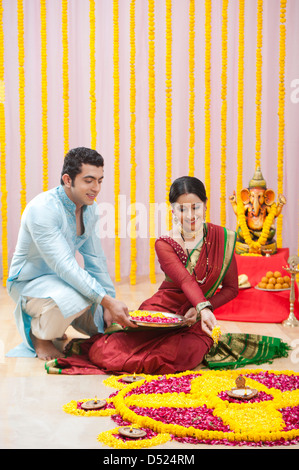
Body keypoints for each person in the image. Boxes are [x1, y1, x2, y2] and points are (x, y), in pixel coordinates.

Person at [51, 176, 239, 375]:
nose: (190, 215)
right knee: (110, 351)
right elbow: (185, 280)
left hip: (195, 319)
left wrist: (201, 310)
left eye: (196, 207)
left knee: (184, 353)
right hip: (162, 312)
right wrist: (204, 307)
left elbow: (231, 289)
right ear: (173, 211)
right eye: (182, 209)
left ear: (205, 205)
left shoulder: (223, 239)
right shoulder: (165, 243)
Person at [7, 147, 136, 361]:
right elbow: (65, 265)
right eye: (89, 180)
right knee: (77, 297)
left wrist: (109, 303)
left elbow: (95, 260)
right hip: (29, 283)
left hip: (61, 281)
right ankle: (40, 337)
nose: (96, 188)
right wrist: (106, 301)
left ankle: (54, 325)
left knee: (101, 324)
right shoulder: (42, 209)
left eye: (100, 180)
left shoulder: (90, 208)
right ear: (68, 179)